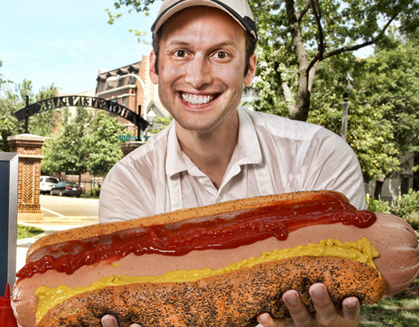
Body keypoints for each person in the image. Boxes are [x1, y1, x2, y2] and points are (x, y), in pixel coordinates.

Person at [99, 0, 366, 326]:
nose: (197, 78)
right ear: (154, 67)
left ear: (249, 68)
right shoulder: (128, 184)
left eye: (220, 54)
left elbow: (345, 285)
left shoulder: (320, 157)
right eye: (180, 53)